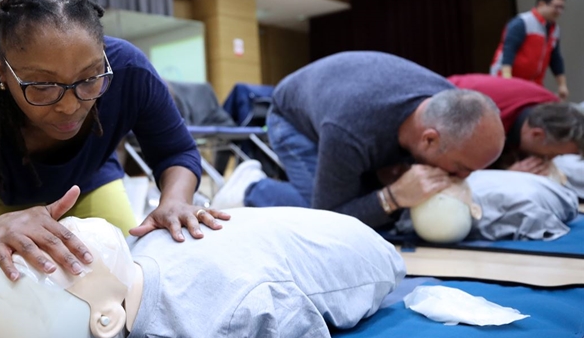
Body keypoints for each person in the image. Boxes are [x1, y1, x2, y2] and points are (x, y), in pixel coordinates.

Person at [0, 0, 229, 338]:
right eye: (41, 85)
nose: (70, 106)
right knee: (15, 293)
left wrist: (175, 200)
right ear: (1, 72)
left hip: (84, 173)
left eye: (90, 78)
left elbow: (176, 150)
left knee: (121, 274)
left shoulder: (128, 70)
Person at [0, 209, 406, 338]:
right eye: (68, 264)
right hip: (360, 247)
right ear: (104, 319)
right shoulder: (227, 325)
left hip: (285, 225)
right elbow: (282, 318)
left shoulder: (137, 253)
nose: (68, 232)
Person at [211, 52, 505, 231]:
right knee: (318, 220)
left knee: (377, 212)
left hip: (347, 105)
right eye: (462, 167)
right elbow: (331, 219)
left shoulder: (447, 104)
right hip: (292, 119)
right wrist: (393, 196)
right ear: (429, 140)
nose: (465, 177)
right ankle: (254, 188)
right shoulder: (349, 129)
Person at [448, 74, 584, 174]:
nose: (551, 160)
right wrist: (506, 176)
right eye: (553, 154)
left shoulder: (552, 104)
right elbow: (461, 170)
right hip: (445, 115)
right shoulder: (482, 125)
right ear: (537, 134)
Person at [490, 0, 568, 99]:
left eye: (562, 8)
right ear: (541, 4)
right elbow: (508, 50)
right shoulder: (522, 22)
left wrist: (562, 85)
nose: (559, 12)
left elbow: (555, 58)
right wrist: (507, 80)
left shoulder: (555, 30)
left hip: (533, 82)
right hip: (508, 78)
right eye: (556, 7)